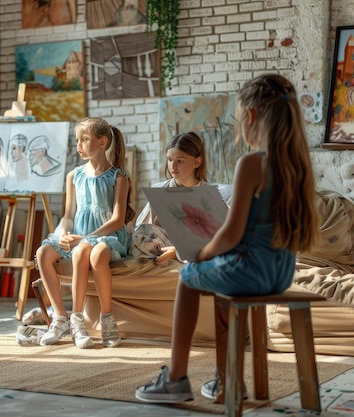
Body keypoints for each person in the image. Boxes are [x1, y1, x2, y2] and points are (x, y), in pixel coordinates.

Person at [134, 73, 320, 403]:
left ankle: (176, 377)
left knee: (189, 277)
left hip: (251, 270)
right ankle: (227, 378)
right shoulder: (297, 166)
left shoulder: (252, 163)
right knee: (219, 278)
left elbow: (231, 233)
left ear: (250, 116)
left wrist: (203, 251)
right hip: (280, 271)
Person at [36, 117, 136, 349]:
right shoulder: (74, 176)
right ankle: (60, 319)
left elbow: (117, 220)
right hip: (78, 234)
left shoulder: (119, 177)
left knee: (84, 249)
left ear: (102, 142)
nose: (79, 145)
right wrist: (64, 232)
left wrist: (86, 237)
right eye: (77, 140)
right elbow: (69, 214)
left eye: (84, 140)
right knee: (43, 253)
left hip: (107, 236)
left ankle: (84, 320)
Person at [135, 132, 208, 266]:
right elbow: (142, 231)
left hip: (188, 257)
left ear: (197, 162)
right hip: (155, 252)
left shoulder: (208, 196)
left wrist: (177, 252)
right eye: (169, 160)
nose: (173, 166)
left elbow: (218, 242)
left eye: (180, 161)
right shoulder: (159, 191)